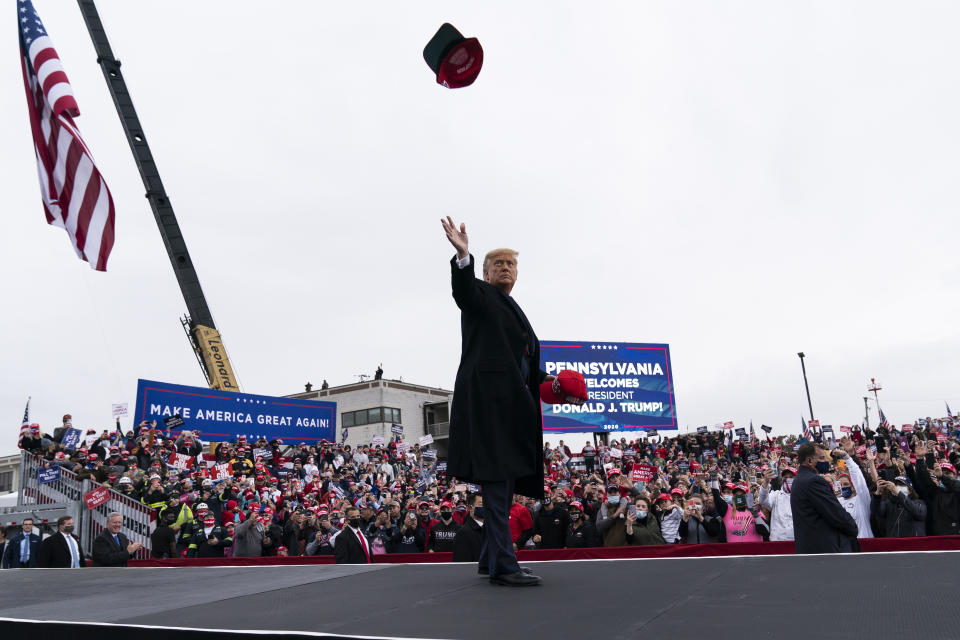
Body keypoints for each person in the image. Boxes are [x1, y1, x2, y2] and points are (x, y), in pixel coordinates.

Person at [442, 216, 553, 587]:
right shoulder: (481, 296)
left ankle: (489, 558)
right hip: (489, 408)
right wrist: (463, 257)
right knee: (496, 485)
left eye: (511, 264)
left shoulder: (513, 308)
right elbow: (463, 292)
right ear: (486, 273)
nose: (506, 268)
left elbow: (520, 362)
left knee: (503, 485)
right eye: (499, 264)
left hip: (511, 411)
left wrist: (550, 382)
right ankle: (504, 566)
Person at [790, 443, 858, 553]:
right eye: (822, 458)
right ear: (809, 461)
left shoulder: (799, 480)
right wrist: (852, 526)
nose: (826, 461)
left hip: (811, 549)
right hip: (824, 550)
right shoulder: (814, 481)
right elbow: (835, 513)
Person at [758, 466, 795, 541]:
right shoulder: (775, 495)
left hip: (797, 540)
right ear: (782, 479)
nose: (788, 479)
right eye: (785, 477)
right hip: (778, 539)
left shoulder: (802, 496)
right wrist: (766, 482)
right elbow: (762, 500)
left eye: (791, 477)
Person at [452, 493, 484, 562]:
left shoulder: (491, 529)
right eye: (481, 504)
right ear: (470, 508)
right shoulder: (463, 533)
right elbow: (462, 564)